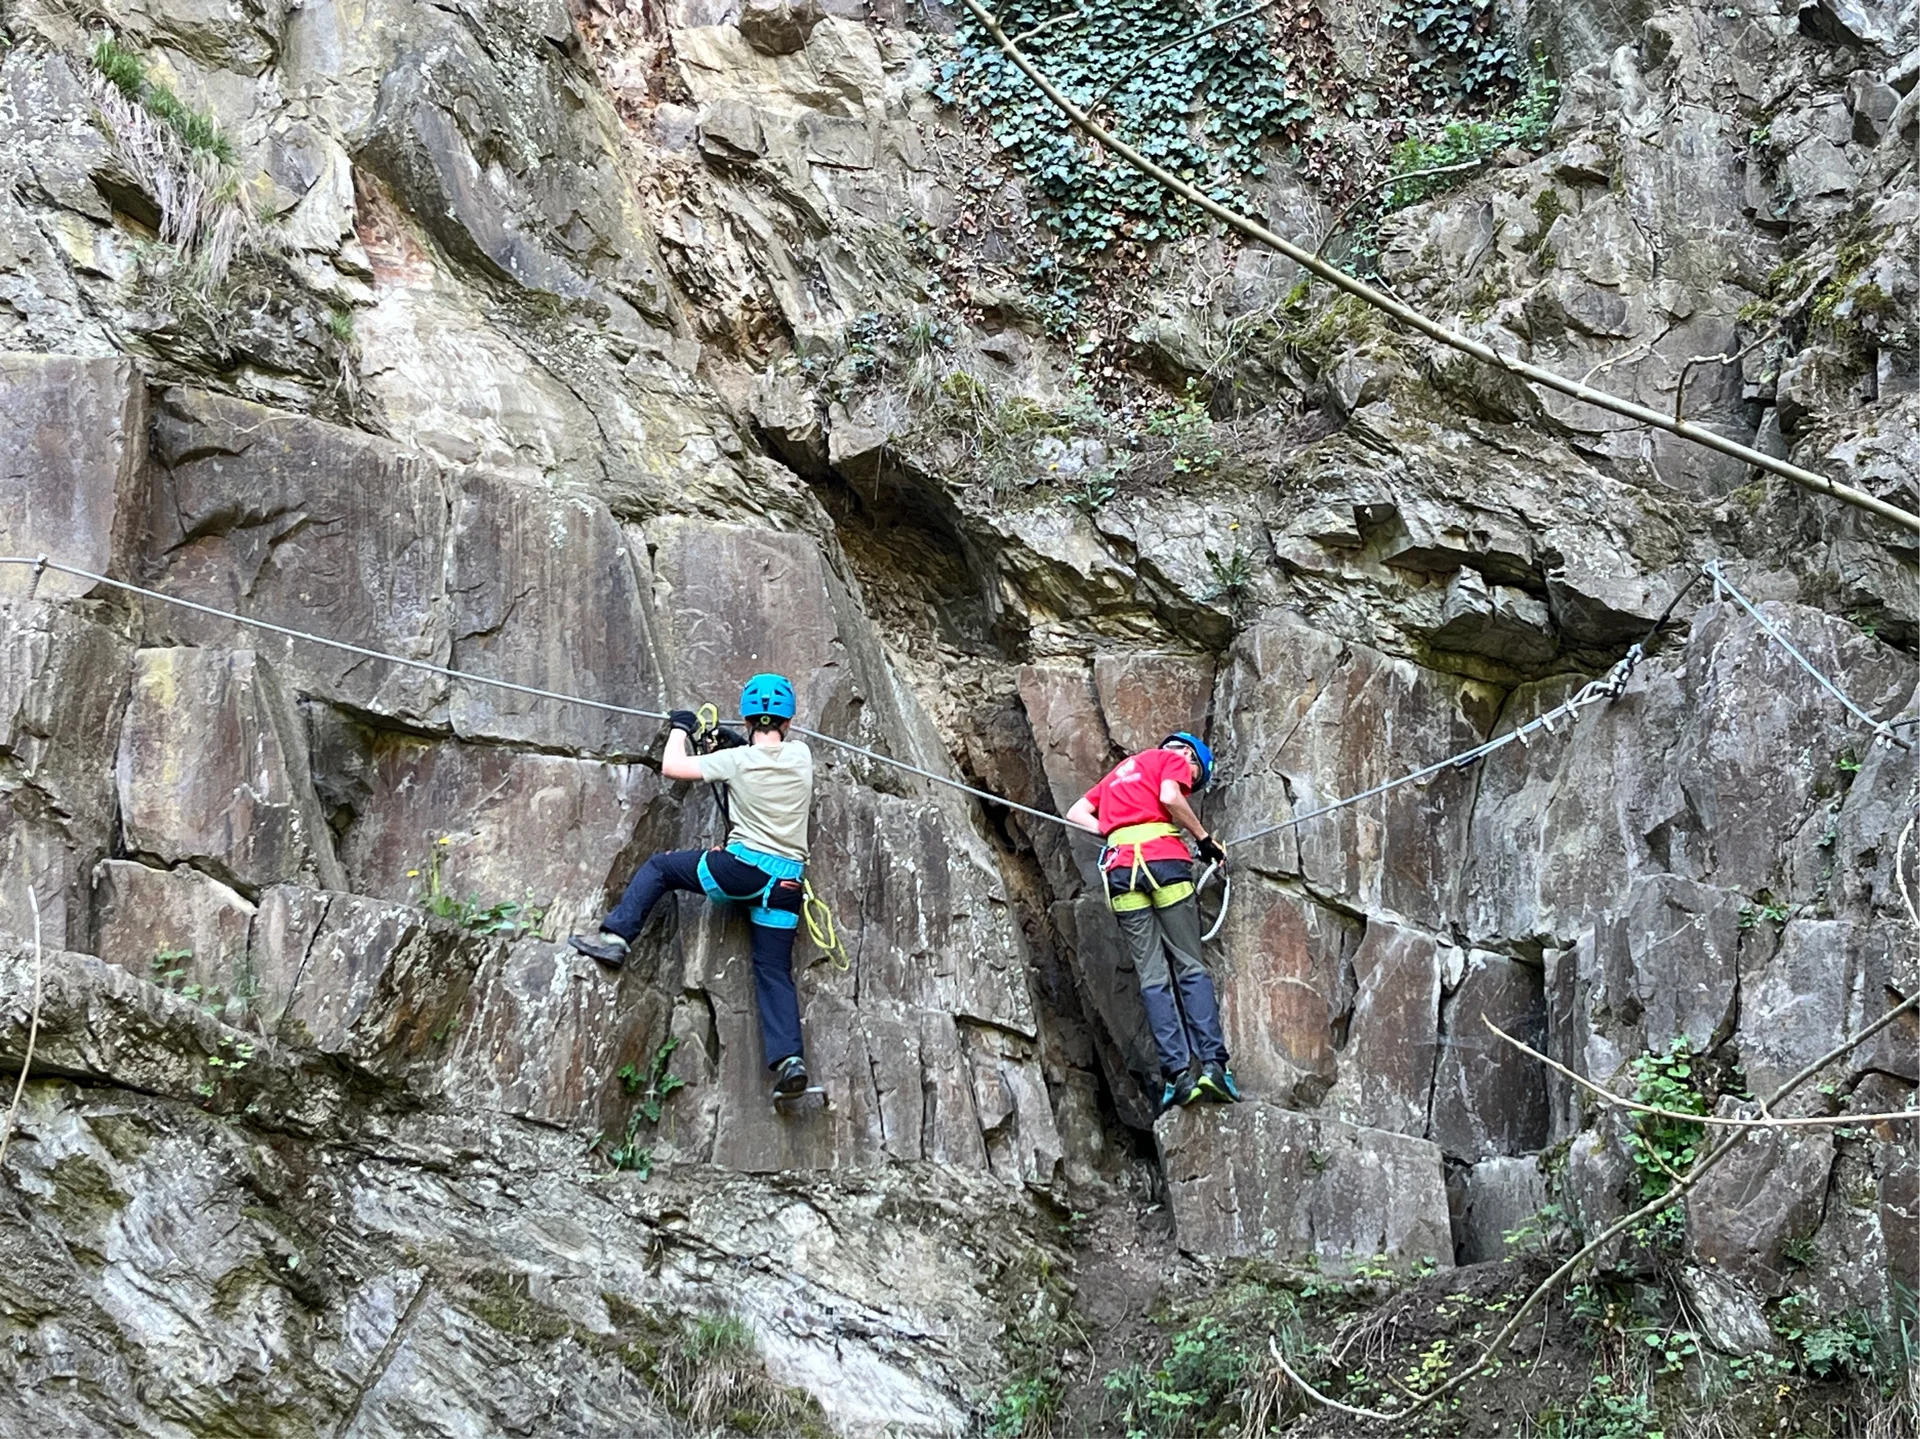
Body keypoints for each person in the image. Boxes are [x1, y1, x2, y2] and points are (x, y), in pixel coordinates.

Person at [568, 674, 816, 1099]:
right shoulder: (801, 755)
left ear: (747, 718)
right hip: (787, 883)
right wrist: (732, 742)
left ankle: (615, 939)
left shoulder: (735, 761)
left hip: (742, 870)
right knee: (773, 970)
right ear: (788, 722)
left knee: (661, 868)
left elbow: (674, 767)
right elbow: (761, 754)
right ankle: (790, 1061)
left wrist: (680, 728)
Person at [1066, 732, 1240, 1110]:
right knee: (1190, 966)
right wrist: (1204, 840)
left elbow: (1076, 812)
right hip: (1164, 864)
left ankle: (1178, 1076)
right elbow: (1170, 797)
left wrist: (1116, 831)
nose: (1190, 781)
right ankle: (1214, 1067)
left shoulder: (1120, 772)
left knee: (1152, 976)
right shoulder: (1172, 759)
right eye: (1195, 777)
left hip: (1120, 871)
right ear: (1191, 757)